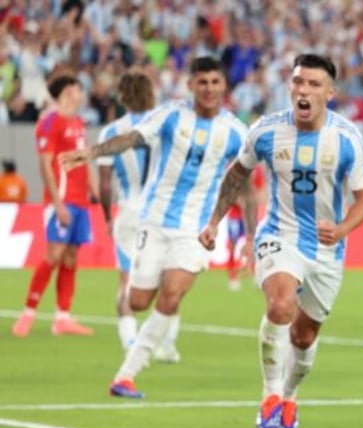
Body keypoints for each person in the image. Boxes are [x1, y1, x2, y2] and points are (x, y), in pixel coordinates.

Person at [198, 53, 363, 428]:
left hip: (327, 250)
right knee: (280, 305)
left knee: (304, 336)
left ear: (330, 93)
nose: (303, 90)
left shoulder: (346, 138)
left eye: (314, 84)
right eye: (298, 82)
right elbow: (237, 174)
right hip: (279, 235)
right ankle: (270, 395)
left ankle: (291, 398)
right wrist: (213, 222)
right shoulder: (266, 131)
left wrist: (344, 228)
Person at [59, 57, 248, 398]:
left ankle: (126, 375)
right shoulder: (171, 115)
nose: (209, 88)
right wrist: (92, 152)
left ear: (224, 87)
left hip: (194, 229)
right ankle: (157, 287)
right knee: (139, 300)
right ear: (190, 85)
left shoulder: (236, 131)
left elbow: (241, 183)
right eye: (201, 82)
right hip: (155, 220)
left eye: (215, 82)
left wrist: (224, 224)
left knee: (172, 294)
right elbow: (132, 138)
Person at [12, 75, 97, 337]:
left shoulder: (79, 123)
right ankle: (28, 312)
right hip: (61, 200)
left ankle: (62, 318)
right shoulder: (50, 122)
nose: (81, 93)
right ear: (68, 91)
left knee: (71, 258)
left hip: (81, 201)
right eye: (78, 88)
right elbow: (45, 164)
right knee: (53, 255)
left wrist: (97, 195)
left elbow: (85, 161)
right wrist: (58, 203)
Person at [96, 70, 155, 351]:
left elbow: (105, 185)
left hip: (128, 212)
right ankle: (162, 340)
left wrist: (107, 217)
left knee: (127, 277)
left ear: (122, 97)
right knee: (163, 279)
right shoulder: (161, 126)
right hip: (158, 214)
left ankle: (129, 338)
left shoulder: (110, 132)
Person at [225, 165, 266, 291]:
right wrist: (239, 201)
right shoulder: (233, 168)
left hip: (251, 214)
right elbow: (227, 190)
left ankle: (255, 274)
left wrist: (258, 206)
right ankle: (233, 277)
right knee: (233, 246)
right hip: (235, 215)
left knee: (254, 245)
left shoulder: (257, 170)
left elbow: (260, 190)